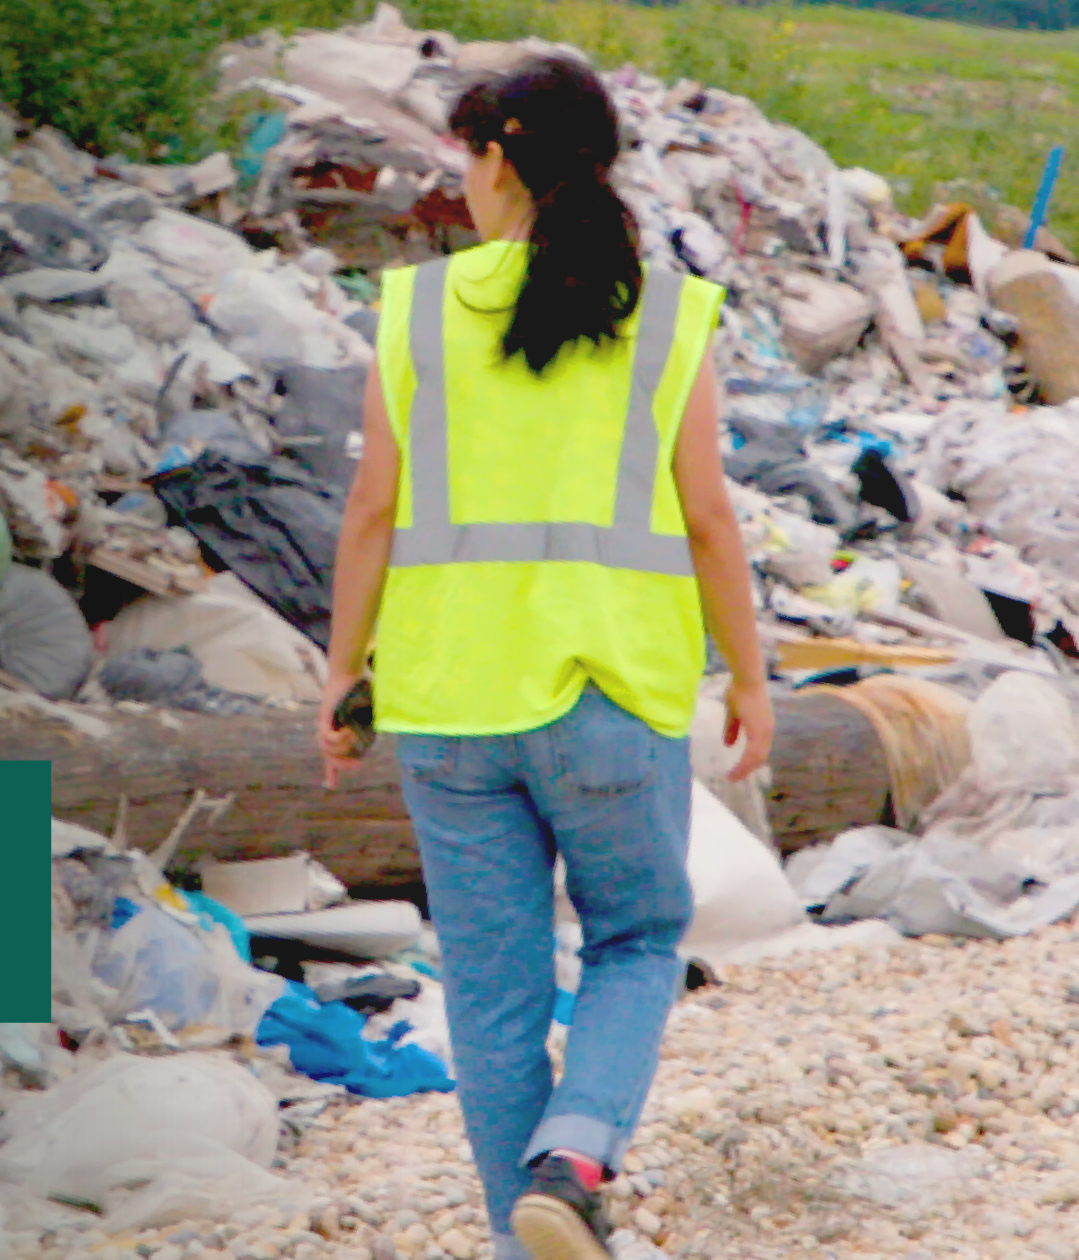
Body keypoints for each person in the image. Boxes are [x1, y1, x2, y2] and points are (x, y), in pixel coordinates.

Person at [314, 56, 774, 1260]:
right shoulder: (667, 312)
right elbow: (712, 517)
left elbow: (371, 511)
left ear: (502, 154)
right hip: (611, 694)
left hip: (448, 703)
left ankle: (529, 1240)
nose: (460, 184)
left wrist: (342, 674)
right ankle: (572, 1161)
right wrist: (753, 676)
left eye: (465, 159)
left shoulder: (416, 309)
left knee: (494, 996)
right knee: (632, 940)